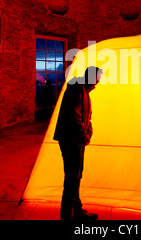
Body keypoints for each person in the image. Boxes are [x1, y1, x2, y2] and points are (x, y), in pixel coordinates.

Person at [53, 66, 103, 223]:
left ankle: (78, 211)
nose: (99, 82)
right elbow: (74, 116)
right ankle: (67, 218)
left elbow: (87, 117)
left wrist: (88, 133)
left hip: (77, 140)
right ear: (91, 77)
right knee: (71, 180)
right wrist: (84, 135)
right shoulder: (76, 89)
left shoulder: (83, 90)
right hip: (71, 141)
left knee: (76, 176)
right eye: (97, 79)